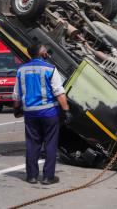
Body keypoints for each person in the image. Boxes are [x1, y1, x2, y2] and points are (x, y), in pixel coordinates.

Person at [13, 42, 73, 185]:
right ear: (41, 53)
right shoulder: (50, 69)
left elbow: (16, 94)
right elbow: (59, 92)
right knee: (51, 144)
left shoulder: (21, 70)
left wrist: (16, 109)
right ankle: (48, 177)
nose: (47, 52)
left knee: (32, 144)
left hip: (30, 115)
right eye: (45, 50)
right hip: (49, 113)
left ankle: (32, 176)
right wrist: (66, 110)